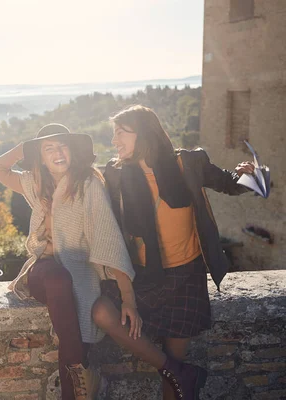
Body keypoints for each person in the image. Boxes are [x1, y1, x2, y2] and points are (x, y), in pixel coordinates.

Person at [96, 105, 254, 400]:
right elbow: (108, 227)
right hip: (143, 278)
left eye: (120, 132)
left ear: (142, 132)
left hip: (186, 278)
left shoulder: (187, 163)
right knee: (102, 311)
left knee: (174, 385)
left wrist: (253, 175)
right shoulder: (116, 174)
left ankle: (180, 373)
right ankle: (181, 371)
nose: (114, 140)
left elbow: (230, 184)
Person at [0, 123, 141, 400]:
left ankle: (76, 382)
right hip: (42, 271)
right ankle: (83, 371)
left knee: (68, 304)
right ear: (41, 157)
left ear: (72, 151)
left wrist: (128, 298)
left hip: (77, 276)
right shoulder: (35, 183)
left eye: (63, 145)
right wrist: (27, 147)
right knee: (59, 281)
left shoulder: (88, 183)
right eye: (49, 148)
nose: (57, 152)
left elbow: (108, 238)